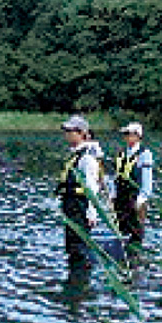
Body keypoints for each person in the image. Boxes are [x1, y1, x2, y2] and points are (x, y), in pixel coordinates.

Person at [56, 114, 102, 274]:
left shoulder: (87, 157)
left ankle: (81, 278)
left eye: (71, 131)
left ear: (82, 133)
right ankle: (75, 277)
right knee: (71, 246)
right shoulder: (76, 154)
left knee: (79, 247)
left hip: (80, 207)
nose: (67, 135)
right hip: (71, 206)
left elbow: (92, 187)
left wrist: (92, 213)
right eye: (66, 131)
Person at [113, 122, 153, 249]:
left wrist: (141, 199)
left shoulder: (144, 154)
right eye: (126, 134)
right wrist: (113, 195)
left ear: (138, 136)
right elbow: (116, 175)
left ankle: (136, 253)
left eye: (130, 134)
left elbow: (147, 180)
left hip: (135, 197)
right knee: (121, 229)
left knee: (136, 230)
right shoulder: (122, 153)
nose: (127, 137)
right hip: (121, 196)